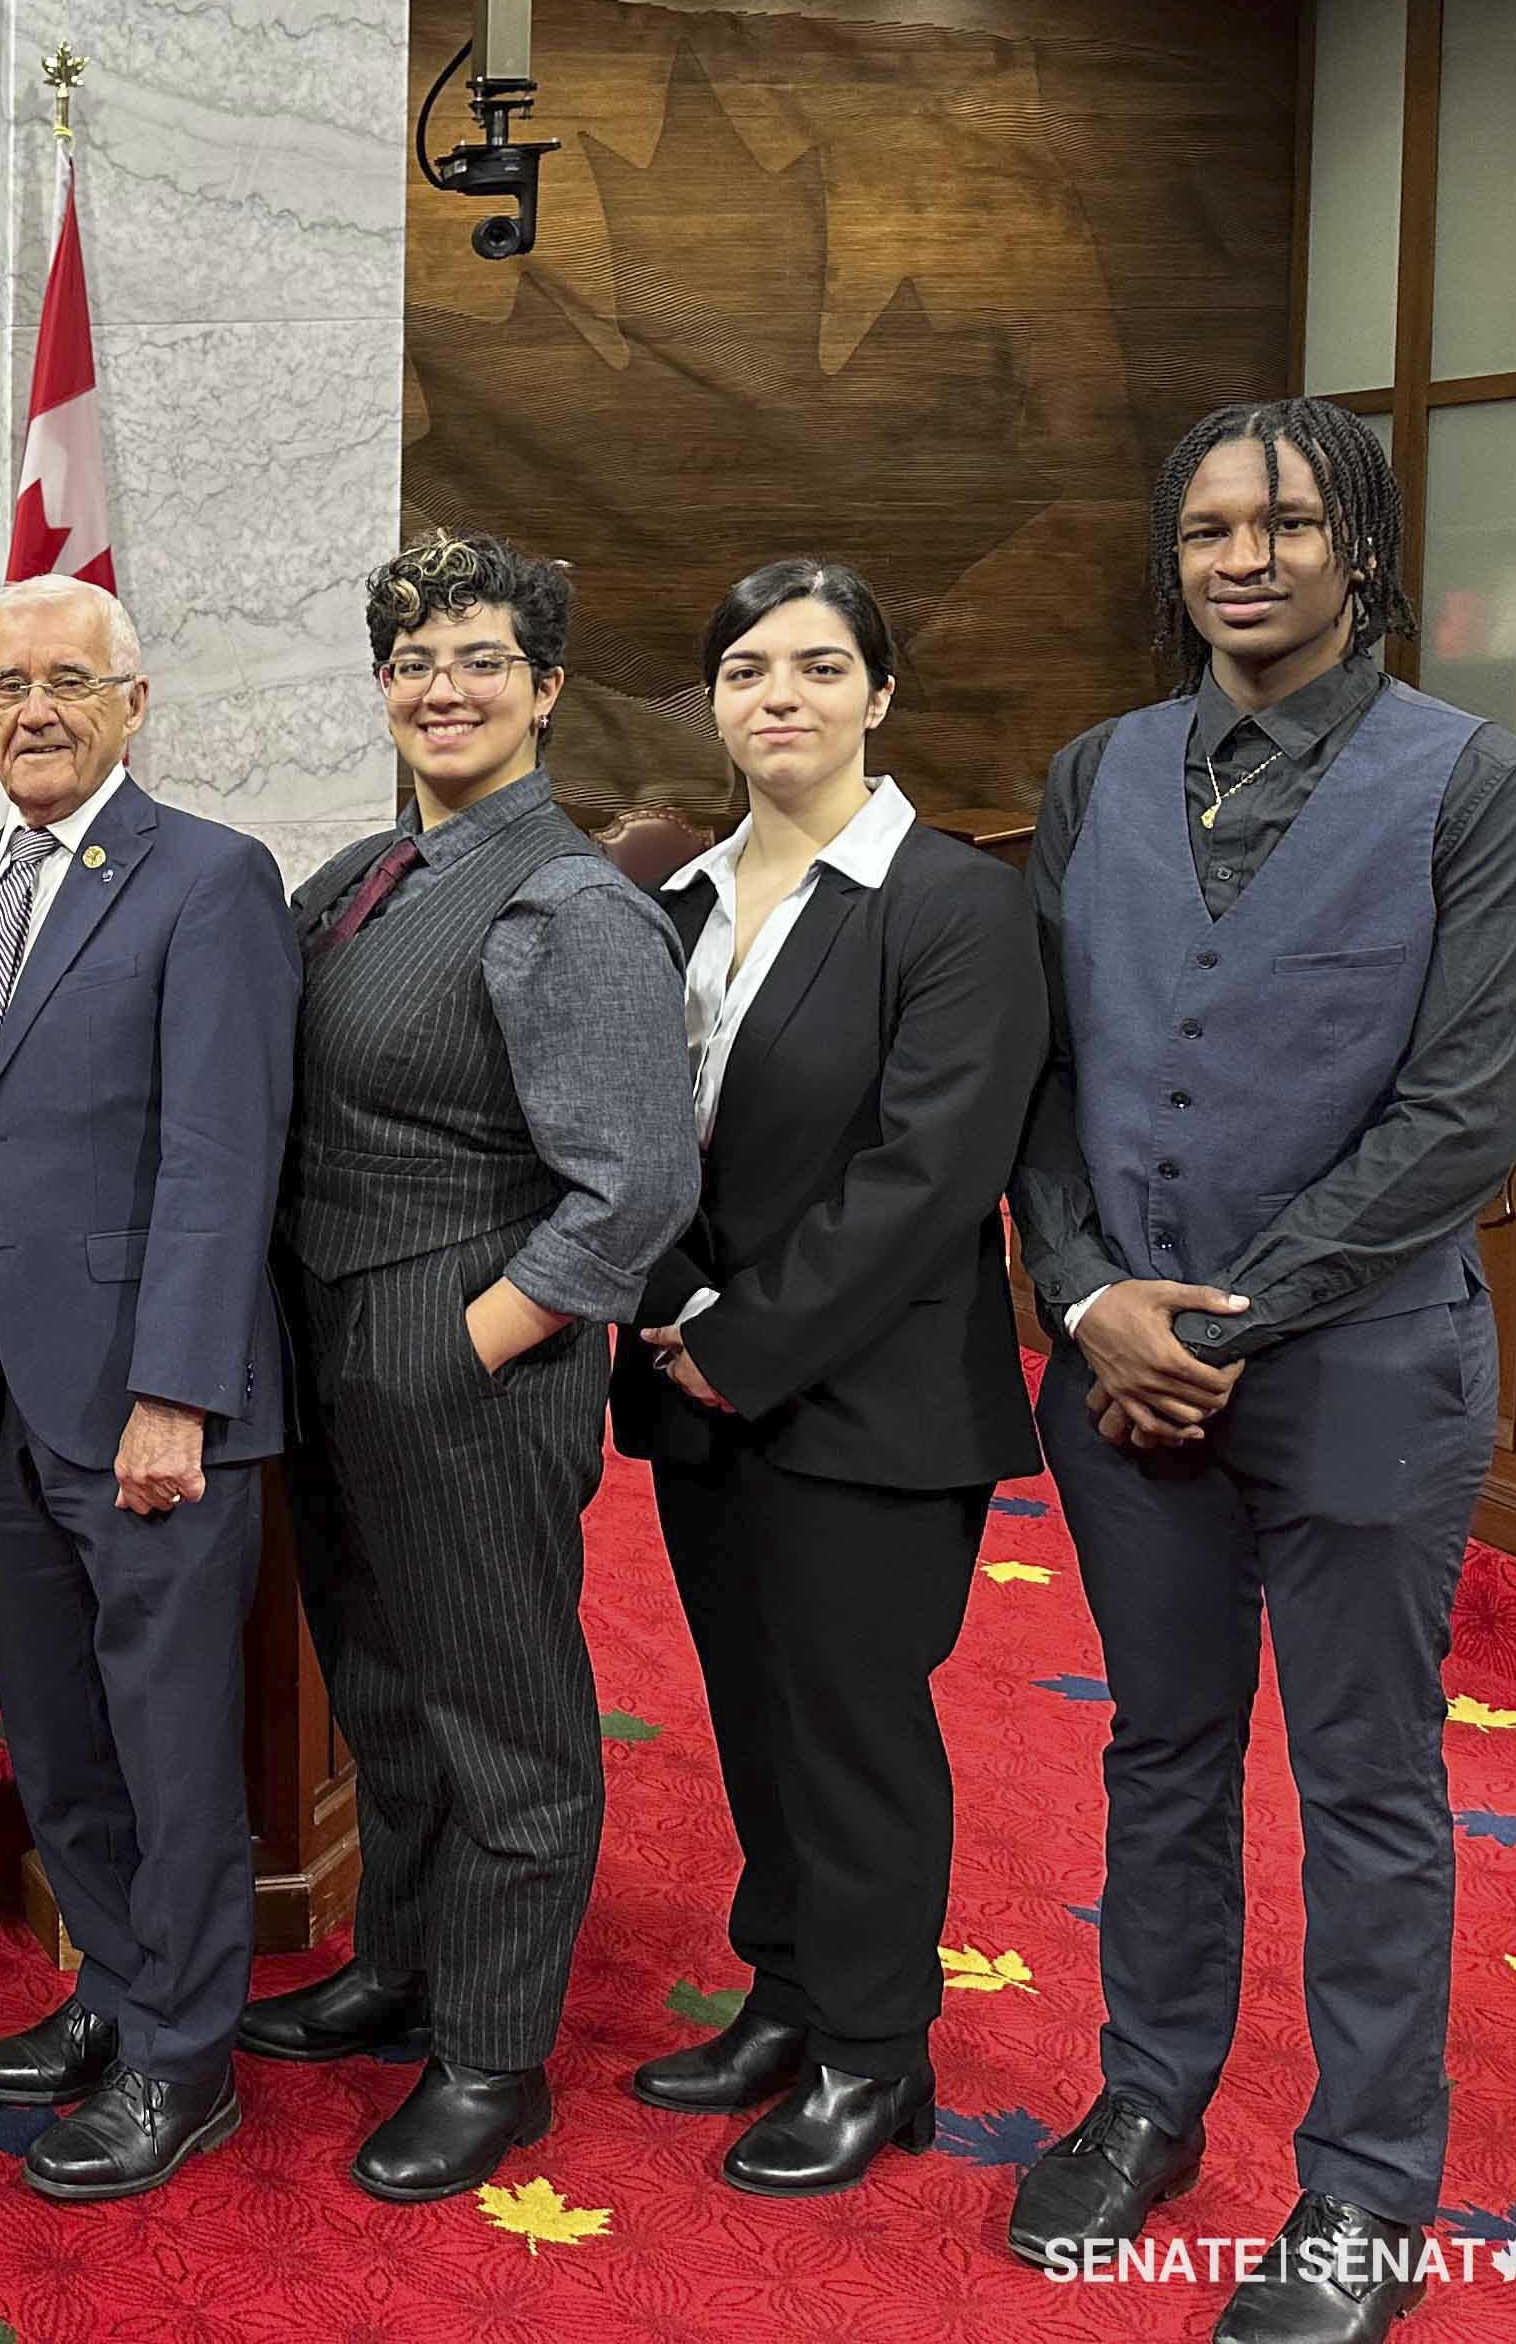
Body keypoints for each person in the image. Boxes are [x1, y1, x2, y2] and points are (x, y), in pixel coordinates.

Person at [1006, 403, 1516, 2344]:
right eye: (1214, 526)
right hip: (1118, 1375)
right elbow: (1048, 1079)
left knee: (1368, 1784)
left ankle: (1366, 2194)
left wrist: (1213, 1328)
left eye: (1291, 524)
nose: (1247, 556)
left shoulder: (1480, 788)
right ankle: (1150, 2090)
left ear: (1364, 550)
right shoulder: (1095, 776)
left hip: (1362, 1382)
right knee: (1158, 1747)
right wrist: (1089, 1305)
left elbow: (1463, 1120)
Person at [251, 529, 694, 2204]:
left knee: (506, 1722)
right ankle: (401, 1971)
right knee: (385, 1692)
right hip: (337, 1350)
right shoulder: (365, 875)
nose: (444, 690)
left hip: (465, 1364)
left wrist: (464, 1347)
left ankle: (495, 2058)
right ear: (381, 688)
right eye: (415, 663)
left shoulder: (572, 902)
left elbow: (637, 1184)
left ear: (548, 689)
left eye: (481, 662)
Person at [614, 561, 1048, 2196]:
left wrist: (738, 1339)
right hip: (693, 1376)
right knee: (752, 1714)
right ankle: (786, 1999)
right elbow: (628, 1139)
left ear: (880, 696)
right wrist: (664, 1308)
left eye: (814, 666)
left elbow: (932, 1173)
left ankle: (879, 2055)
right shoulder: (676, 903)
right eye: (741, 669)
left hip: (868, 1402)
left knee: (854, 1730)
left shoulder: (956, 903)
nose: (775, 695)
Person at [0, 573, 295, 2204]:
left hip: (152, 1409)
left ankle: (186, 2057)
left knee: (169, 1741)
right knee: (60, 1741)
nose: (36, 713)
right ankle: (120, 1992)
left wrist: (178, 1393)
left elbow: (223, 1152)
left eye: (71, 681)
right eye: (7, 690)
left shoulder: (209, 878)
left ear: (135, 702)